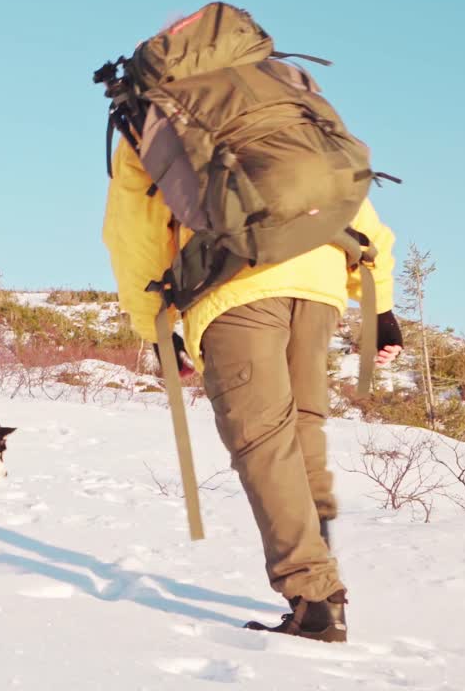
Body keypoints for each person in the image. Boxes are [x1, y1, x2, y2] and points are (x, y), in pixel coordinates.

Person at [102, 139, 404, 642]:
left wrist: (155, 327)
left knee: (263, 442)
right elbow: (348, 194)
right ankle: (324, 596)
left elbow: (135, 230)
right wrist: (379, 302)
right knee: (300, 434)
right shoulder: (275, 100)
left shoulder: (156, 113)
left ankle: (314, 600)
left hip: (234, 278)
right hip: (320, 274)